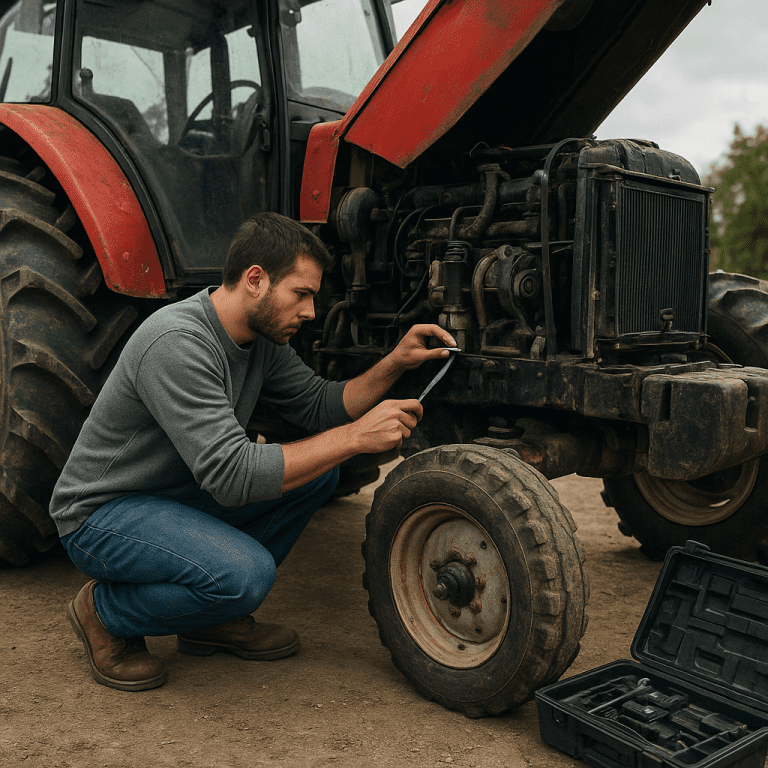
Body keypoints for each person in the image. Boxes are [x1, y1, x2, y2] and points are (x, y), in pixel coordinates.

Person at [49, 211, 456, 692]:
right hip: (103, 514)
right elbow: (232, 476)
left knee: (320, 474)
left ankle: (209, 621)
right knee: (245, 576)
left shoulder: (258, 339)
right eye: (301, 294)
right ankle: (104, 613)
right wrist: (355, 437)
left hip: (174, 497)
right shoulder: (178, 342)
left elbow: (320, 405)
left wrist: (394, 363)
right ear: (256, 279)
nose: (310, 311)